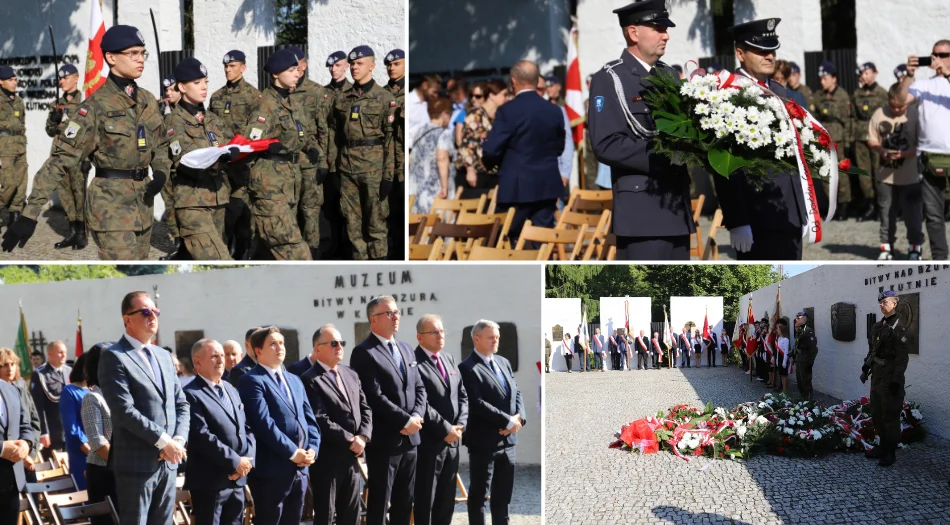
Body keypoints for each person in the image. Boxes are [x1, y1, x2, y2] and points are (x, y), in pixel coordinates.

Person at [3, 26, 169, 259]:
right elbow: (60, 160)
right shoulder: (93, 108)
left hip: (144, 202)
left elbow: (160, 144)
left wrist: (161, 172)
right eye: (132, 53)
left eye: (143, 53)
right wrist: (29, 214)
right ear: (111, 57)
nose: (140, 59)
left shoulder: (147, 100)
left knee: (142, 262)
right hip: (111, 206)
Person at [588, 1, 694, 259]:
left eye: (665, 29)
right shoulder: (610, 78)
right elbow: (606, 144)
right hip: (642, 213)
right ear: (634, 33)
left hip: (676, 206)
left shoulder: (668, 75)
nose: (666, 35)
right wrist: (665, 154)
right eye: (658, 28)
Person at [712, 18, 809, 260]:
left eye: (772, 50)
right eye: (761, 50)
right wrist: (737, 220)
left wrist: (802, 207)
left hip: (789, 213)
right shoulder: (729, 94)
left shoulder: (779, 91)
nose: (770, 56)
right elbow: (724, 165)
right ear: (740, 53)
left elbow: (793, 156)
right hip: (757, 215)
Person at [99, 291, 189, 525]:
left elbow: (181, 404)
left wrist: (177, 441)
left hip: (168, 463)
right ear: (127, 319)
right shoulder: (114, 357)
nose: (153, 317)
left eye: (155, 311)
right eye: (145, 312)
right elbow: (123, 410)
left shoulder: (164, 356)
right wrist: (163, 441)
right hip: (136, 465)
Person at [350, 296, 427, 525]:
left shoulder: (405, 348)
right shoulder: (364, 352)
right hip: (385, 442)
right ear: (373, 319)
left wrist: (416, 416)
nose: (396, 317)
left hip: (410, 440)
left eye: (397, 312)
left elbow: (419, 387)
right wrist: (404, 421)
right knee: (380, 502)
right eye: (389, 313)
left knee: (405, 501)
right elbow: (374, 396)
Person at [238, 326, 320, 525]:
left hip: (300, 471)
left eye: (281, 343)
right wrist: (293, 453)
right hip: (272, 471)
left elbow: (310, 419)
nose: (280, 347)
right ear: (258, 351)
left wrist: (312, 449)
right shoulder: (252, 380)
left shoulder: (294, 380)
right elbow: (263, 423)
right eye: (273, 344)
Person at [324, 46, 397, 260]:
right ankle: (361, 261)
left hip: (373, 169)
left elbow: (390, 141)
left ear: (372, 66)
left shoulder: (384, 98)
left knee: (375, 222)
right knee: (352, 223)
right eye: (353, 64)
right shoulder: (342, 98)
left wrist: (388, 175)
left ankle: (379, 262)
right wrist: (333, 167)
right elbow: (334, 134)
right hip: (347, 168)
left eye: (360, 63)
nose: (355, 67)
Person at [481, 60, 566, 240]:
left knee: (507, 240)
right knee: (541, 241)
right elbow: (559, 148)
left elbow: (491, 150)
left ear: (513, 81)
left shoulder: (507, 111)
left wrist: (493, 165)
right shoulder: (554, 111)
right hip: (546, 185)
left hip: (516, 187)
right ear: (536, 81)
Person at [243, 48, 312, 260]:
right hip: (270, 186)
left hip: (289, 183)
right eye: (291, 70)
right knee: (295, 251)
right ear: (276, 74)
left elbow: (301, 136)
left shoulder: (292, 102)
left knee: (270, 246)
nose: (297, 74)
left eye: (297, 69)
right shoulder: (265, 104)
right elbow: (249, 142)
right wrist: (266, 145)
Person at [164, 57, 235, 260]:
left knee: (209, 255)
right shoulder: (174, 122)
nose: (203, 87)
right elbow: (185, 161)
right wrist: (222, 158)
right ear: (182, 87)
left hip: (218, 198)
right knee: (218, 259)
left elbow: (231, 145)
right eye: (197, 83)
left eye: (205, 81)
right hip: (192, 203)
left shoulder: (214, 120)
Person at [301, 324, 371, 525]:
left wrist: (363, 437)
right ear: (317, 349)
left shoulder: (351, 374)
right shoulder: (309, 379)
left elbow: (365, 409)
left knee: (351, 515)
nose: (339, 347)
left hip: (352, 457)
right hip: (327, 460)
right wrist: (351, 439)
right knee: (326, 514)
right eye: (333, 343)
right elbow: (319, 418)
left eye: (341, 343)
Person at [458, 320, 525, 525]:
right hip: (484, 441)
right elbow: (477, 403)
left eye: (497, 337)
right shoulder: (467, 368)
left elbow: (516, 392)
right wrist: (507, 421)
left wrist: (519, 418)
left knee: (503, 495)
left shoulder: (503, 362)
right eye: (491, 337)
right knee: (479, 494)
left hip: (508, 441)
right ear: (476, 339)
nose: (496, 340)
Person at [185, 339, 256, 525]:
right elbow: (202, 436)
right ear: (197, 362)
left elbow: (247, 428)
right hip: (210, 483)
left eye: (222, 356)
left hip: (237, 480)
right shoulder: (191, 394)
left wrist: (246, 461)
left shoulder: (231, 389)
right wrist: (235, 462)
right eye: (214, 356)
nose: (221, 360)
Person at [413, 315, 468, 525]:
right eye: (434, 332)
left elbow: (462, 395)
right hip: (429, 443)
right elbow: (420, 403)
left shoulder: (449, 359)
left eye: (442, 331)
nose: (440, 335)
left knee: (446, 500)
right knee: (426, 499)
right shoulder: (414, 363)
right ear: (420, 337)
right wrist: (445, 428)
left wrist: (460, 426)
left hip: (453, 441)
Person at [898, 40, 950, 260]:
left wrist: (947, 74)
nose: (938, 58)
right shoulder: (924, 84)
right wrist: (908, 75)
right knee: (934, 215)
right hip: (928, 156)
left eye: (944, 54)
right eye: (934, 54)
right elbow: (899, 101)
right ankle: (941, 260)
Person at [208, 50, 260, 260]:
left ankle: (244, 254)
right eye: (226, 66)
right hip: (222, 166)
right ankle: (225, 254)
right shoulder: (217, 96)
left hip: (244, 166)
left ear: (243, 67)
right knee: (223, 216)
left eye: (233, 66)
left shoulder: (253, 96)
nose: (228, 70)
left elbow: (256, 131)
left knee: (244, 216)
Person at [868, 83, 922, 260]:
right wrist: (881, 150)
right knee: (886, 214)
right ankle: (886, 247)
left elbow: (922, 144)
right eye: (893, 106)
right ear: (889, 99)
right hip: (885, 176)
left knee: (913, 216)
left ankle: (915, 248)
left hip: (911, 176)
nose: (897, 110)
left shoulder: (915, 114)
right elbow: (872, 140)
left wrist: (905, 154)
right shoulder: (879, 113)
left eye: (901, 107)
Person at [286, 48, 329, 260]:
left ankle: (313, 253)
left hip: (311, 163)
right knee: (290, 212)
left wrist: (324, 161)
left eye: (299, 64)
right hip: (288, 165)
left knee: (311, 212)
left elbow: (324, 131)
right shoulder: (281, 93)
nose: (296, 69)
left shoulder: (316, 92)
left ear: (304, 65)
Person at [861, 290, 912, 467]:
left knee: (890, 416)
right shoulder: (877, 326)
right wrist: (866, 365)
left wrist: (897, 381)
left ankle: (890, 452)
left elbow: (902, 358)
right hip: (877, 376)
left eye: (885, 302)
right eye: (880, 302)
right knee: (876, 414)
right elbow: (872, 349)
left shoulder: (899, 328)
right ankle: (882, 446)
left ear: (894, 304)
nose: (881, 305)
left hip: (890, 378)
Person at [46, 64, 89, 250]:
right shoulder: (57, 104)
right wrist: (53, 120)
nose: (61, 81)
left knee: (79, 195)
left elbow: (91, 133)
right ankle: (71, 231)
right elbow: (49, 131)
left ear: (76, 78)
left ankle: (82, 233)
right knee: (64, 195)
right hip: (59, 156)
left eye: (65, 77)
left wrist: (88, 158)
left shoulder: (86, 103)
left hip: (77, 157)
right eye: (60, 79)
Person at [810, 60, 854, 220]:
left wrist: (848, 140)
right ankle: (832, 205)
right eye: (821, 79)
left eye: (825, 78)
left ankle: (844, 204)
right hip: (822, 138)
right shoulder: (818, 96)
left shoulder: (842, 95)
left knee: (840, 172)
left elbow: (848, 120)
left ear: (834, 78)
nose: (822, 81)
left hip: (838, 138)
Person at [81, 344, 118, 525]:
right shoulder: (92, 398)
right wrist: (125, 464)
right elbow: (97, 442)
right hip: (104, 474)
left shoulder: (121, 396)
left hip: (122, 471)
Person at [456, 80, 509, 199]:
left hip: (491, 173)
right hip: (475, 174)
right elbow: (467, 143)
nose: (507, 98)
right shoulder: (476, 115)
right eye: (504, 94)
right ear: (491, 95)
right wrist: (470, 169)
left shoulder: (497, 117)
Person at [852, 62, 889, 222]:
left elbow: (887, 116)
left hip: (877, 136)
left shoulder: (882, 93)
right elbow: (852, 116)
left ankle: (883, 206)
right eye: (861, 74)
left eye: (867, 73)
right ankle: (870, 205)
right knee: (864, 173)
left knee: (879, 171)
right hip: (861, 136)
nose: (863, 77)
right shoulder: (857, 93)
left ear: (875, 73)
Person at [0, 348, 41, 481]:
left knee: (33, 499)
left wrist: (29, 452)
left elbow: (33, 423)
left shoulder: (21, 389)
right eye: (4, 365)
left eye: (12, 364)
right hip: (6, 459)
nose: (9, 369)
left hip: (25, 456)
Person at [0, 371, 35, 523]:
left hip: (11, 482)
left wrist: (26, 444)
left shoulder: (11, 389)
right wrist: (1, 448)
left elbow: (25, 425)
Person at [409, 97, 454, 214]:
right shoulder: (444, 133)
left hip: (415, 189)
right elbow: (442, 159)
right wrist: (445, 187)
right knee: (436, 226)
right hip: (434, 190)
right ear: (444, 114)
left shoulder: (419, 131)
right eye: (450, 114)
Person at [30, 340, 71, 459]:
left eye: (65, 352)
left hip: (69, 429)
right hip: (53, 432)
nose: (64, 355)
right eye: (60, 352)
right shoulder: (40, 374)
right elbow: (38, 406)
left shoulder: (69, 371)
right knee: (55, 469)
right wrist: (43, 432)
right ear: (50, 354)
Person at [385, 49, 406, 261]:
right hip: (386, 165)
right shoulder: (383, 94)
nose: (392, 68)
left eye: (397, 63)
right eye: (389, 65)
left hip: (403, 165)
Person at [0, 65, 27, 228]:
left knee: (21, 182)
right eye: (10, 80)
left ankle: (15, 217)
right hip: (4, 146)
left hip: (20, 145)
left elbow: (22, 122)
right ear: (1, 82)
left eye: (15, 79)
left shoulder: (18, 101)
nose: (14, 83)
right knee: (9, 183)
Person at [59, 355, 90, 490]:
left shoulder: (97, 390)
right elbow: (72, 429)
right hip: (83, 454)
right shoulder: (70, 391)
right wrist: (90, 452)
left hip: (103, 451)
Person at [407, 74, 441, 147]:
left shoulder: (430, 104)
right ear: (425, 85)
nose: (436, 96)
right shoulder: (407, 101)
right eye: (434, 92)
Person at [793, 311, 818, 401]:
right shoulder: (800, 331)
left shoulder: (808, 331)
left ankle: (809, 401)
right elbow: (797, 345)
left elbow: (814, 349)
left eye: (798, 318)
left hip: (805, 361)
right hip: (799, 359)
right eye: (796, 318)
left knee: (806, 382)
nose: (796, 319)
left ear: (804, 319)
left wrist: (810, 362)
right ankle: (803, 399)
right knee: (799, 381)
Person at [775, 320, 791, 393]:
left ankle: (785, 390)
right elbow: (778, 350)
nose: (777, 330)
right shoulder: (779, 338)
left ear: (782, 330)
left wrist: (784, 362)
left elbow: (786, 352)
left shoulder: (786, 339)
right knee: (781, 374)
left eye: (778, 329)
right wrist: (777, 360)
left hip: (783, 358)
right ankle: (783, 390)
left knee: (784, 375)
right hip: (779, 358)